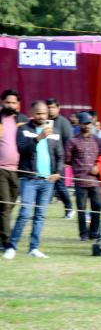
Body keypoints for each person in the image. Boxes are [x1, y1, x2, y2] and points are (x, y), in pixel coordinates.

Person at [3, 101, 64, 259]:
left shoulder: (54, 131)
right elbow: (22, 150)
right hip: (29, 178)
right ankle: (11, 246)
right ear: (32, 113)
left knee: (40, 215)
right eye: (38, 113)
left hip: (47, 181)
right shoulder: (23, 129)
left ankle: (34, 248)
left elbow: (60, 154)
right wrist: (38, 138)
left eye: (44, 113)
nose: (41, 116)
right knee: (24, 213)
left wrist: (58, 171)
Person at [64, 112, 101, 241]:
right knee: (81, 209)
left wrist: (98, 167)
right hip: (80, 180)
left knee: (97, 206)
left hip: (95, 180)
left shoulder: (98, 140)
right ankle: (83, 234)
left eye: (89, 123)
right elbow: (68, 159)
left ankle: (94, 232)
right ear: (79, 124)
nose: (87, 126)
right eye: (84, 123)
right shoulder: (72, 141)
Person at [0, 89, 28, 250]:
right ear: (2, 102)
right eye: (7, 102)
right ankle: (6, 242)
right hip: (1, 169)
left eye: (13, 102)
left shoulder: (22, 120)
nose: (10, 105)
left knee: (10, 205)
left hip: (18, 171)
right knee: (5, 205)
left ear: (18, 104)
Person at [46, 98, 74, 219]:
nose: (50, 109)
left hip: (59, 160)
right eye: (49, 107)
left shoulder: (64, 122)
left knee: (60, 186)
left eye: (53, 107)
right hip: (45, 160)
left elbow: (69, 142)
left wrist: (66, 161)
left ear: (58, 108)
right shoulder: (44, 121)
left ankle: (69, 209)